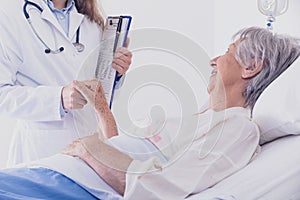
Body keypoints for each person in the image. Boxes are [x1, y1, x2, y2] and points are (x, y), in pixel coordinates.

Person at [0, 27, 299, 200]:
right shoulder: (204, 117)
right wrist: (102, 108)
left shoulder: (239, 128)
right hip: (61, 176)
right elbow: (135, 156)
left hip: (73, 187)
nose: (214, 59)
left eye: (228, 52)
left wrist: (90, 150)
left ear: (252, 66)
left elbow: (154, 186)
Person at [0, 0, 132, 166]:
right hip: (42, 151)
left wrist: (115, 73)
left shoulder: (92, 20)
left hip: (92, 148)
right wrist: (58, 98)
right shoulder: (9, 15)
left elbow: (100, 95)